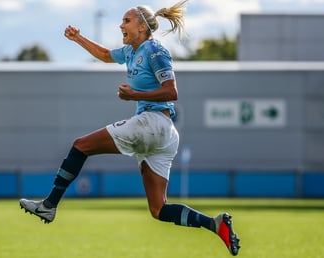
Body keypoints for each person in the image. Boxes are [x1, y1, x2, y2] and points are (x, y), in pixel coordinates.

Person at [19, 0, 240, 255]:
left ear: (143, 27)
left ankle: (49, 205)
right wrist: (78, 38)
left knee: (80, 146)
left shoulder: (154, 50)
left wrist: (134, 95)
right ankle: (214, 224)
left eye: (126, 20)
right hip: (163, 135)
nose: (120, 25)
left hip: (153, 123)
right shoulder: (131, 51)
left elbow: (172, 91)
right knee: (158, 210)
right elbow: (104, 55)